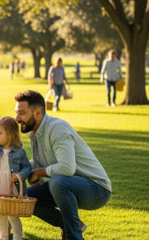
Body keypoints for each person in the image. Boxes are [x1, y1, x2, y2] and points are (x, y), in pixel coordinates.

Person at [14, 90, 111, 240]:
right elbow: (38, 162)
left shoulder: (57, 128)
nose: (17, 118)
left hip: (97, 189)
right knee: (27, 197)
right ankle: (72, 225)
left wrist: (39, 172)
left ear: (38, 112)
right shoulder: (35, 133)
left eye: (21, 113)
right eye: (16, 113)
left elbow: (67, 168)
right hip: (68, 185)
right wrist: (17, 170)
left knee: (58, 182)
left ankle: (74, 237)